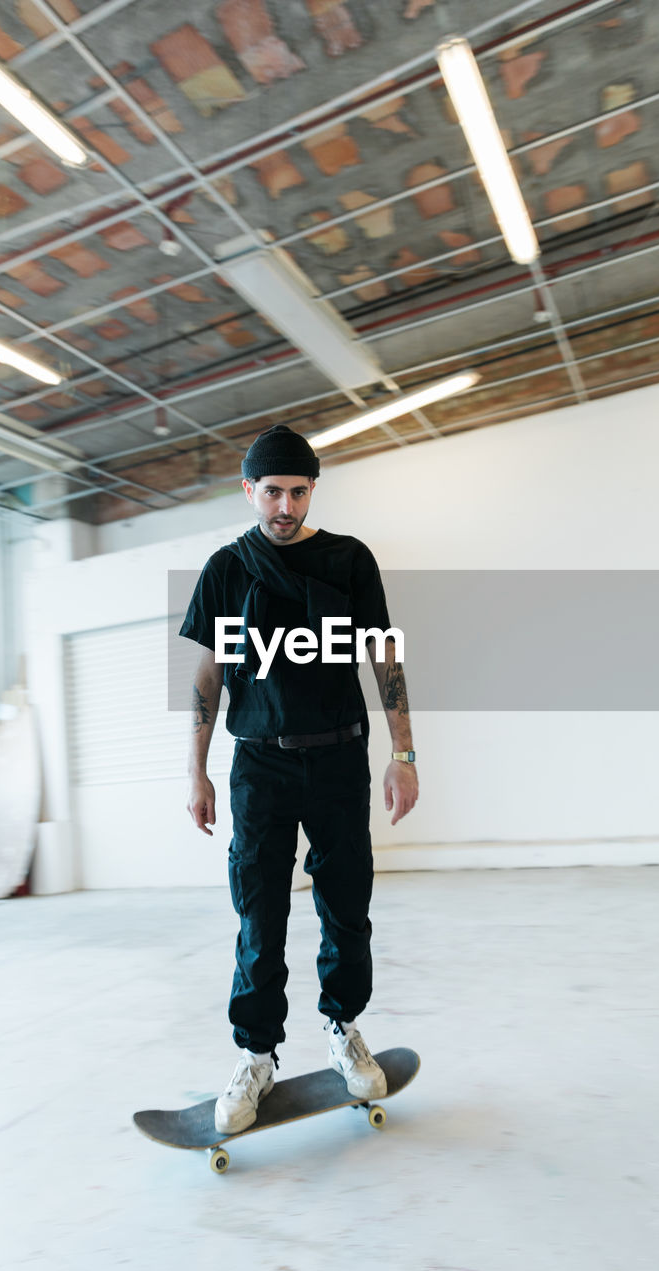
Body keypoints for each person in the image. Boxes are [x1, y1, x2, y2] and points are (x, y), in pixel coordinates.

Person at [180, 423, 418, 1135]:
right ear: (248, 490)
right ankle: (256, 1054)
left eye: (299, 491)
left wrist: (403, 755)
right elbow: (208, 674)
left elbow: (385, 659)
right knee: (260, 914)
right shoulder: (227, 568)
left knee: (346, 905)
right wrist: (195, 771)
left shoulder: (349, 560)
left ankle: (342, 1027)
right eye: (273, 491)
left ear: (313, 490)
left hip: (340, 755)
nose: (285, 505)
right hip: (259, 761)